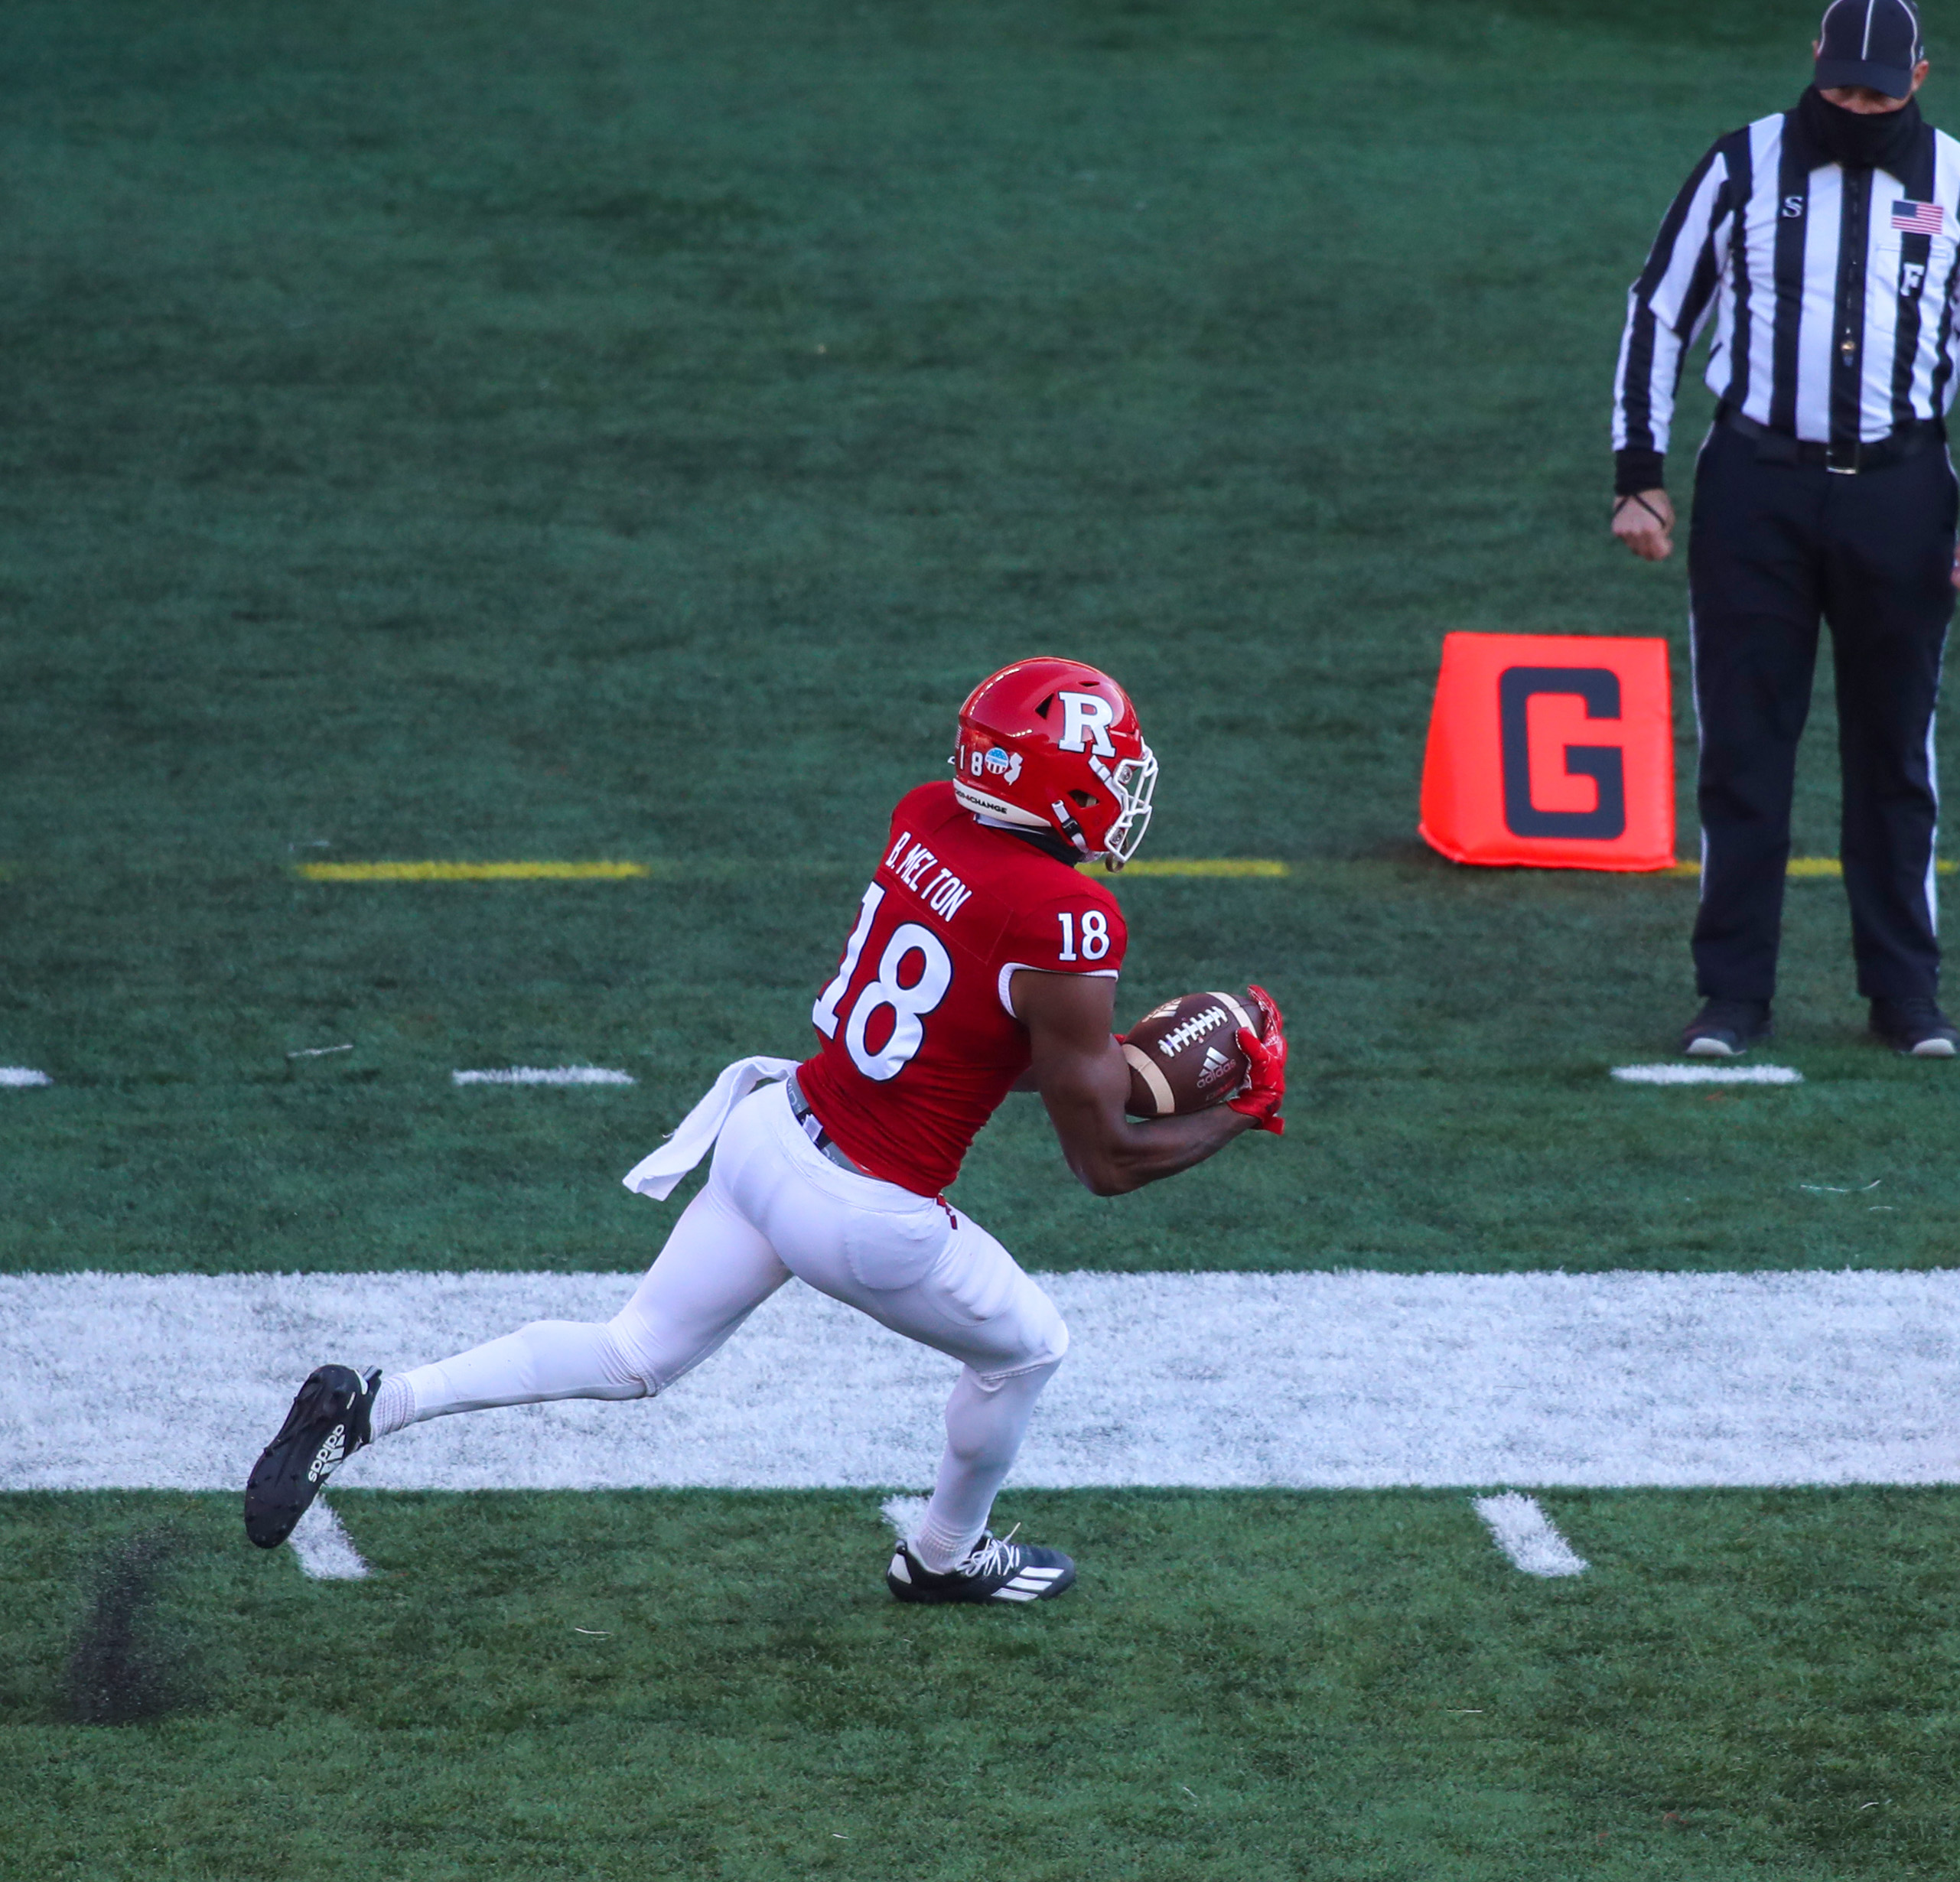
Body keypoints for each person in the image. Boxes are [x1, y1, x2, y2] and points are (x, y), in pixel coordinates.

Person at [243, 657, 1287, 1605]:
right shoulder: (1068, 918)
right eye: (1109, 762)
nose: (1123, 782)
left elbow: (966, 1035)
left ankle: (371, 1406)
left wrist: (1098, 1063)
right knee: (1029, 1350)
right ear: (1055, 776)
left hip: (769, 1135)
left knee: (632, 1352)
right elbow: (1102, 1162)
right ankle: (942, 1555)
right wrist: (1240, 1111)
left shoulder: (926, 815)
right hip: (867, 1211)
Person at [1609, 0, 1960, 1060]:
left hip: (1900, 494)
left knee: (1894, 755)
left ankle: (1905, 996)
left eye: (1878, 93)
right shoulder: (1740, 165)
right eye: (1840, 88)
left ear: (1921, 76)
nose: (1855, 108)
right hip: (1757, 488)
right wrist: (1638, 476)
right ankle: (1733, 998)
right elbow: (1660, 310)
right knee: (1744, 753)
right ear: (1814, 64)